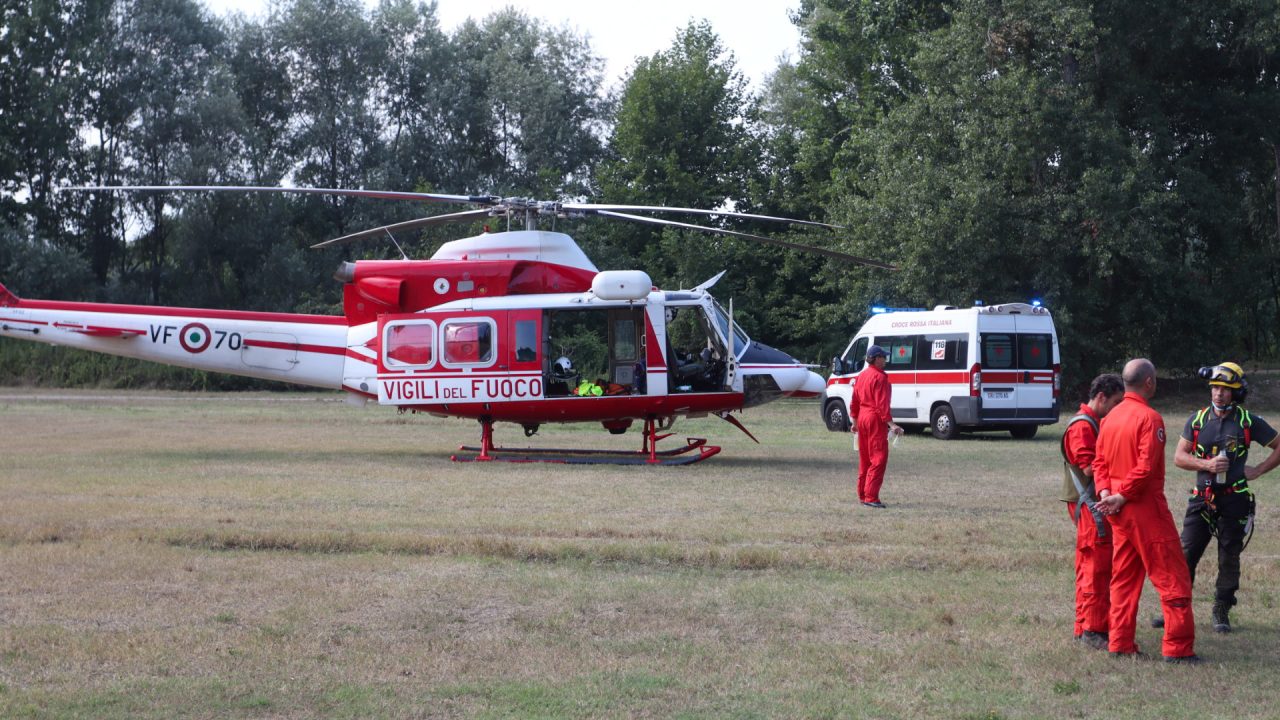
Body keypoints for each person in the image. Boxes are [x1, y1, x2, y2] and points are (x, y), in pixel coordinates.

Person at [1093, 359, 1200, 663]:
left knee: (1124, 578)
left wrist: (1106, 493)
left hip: (1118, 509)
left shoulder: (1110, 418)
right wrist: (1123, 495)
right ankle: (1178, 648)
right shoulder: (1150, 418)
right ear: (1149, 382)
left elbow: (1099, 463)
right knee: (1173, 576)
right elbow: (1145, 467)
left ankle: (1119, 642)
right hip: (1143, 508)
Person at [1169, 362, 1280, 633]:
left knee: (1229, 556)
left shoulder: (1248, 421)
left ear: (1236, 392)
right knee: (1185, 554)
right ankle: (1176, 608)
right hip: (1202, 499)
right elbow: (1179, 458)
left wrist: (1259, 470)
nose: (1219, 393)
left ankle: (1221, 609)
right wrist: (1205, 465)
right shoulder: (1197, 419)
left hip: (1235, 499)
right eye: (1215, 387)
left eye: (1226, 389)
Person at [1060, 373, 1124, 649]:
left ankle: (1083, 625)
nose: (1118, 408)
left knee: (1090, 566)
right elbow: (1089, 468)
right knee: (1096, 567)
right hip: (1089, 507)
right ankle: (1093, 630)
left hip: (1090, 505)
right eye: (1116, 402)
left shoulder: (1093, 423)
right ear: (1101, 398)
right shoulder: (1082, 427)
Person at [850, 344, 903, 508]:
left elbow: (854, 401)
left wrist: (855, 423)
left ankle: (863, 494)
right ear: (876, 359)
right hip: (874, 419)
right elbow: (881, 404)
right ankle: (871, 497)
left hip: (863, 418)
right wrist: (892, 424)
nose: (886, 359)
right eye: (883, 356)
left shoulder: (861, 375)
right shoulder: (880, 378)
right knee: (878, 458)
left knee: (865, 458)